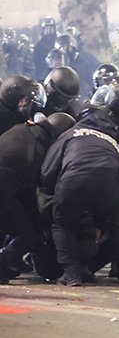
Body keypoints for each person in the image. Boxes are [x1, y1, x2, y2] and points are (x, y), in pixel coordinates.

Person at [40, 85, 119, 286]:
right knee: (115, 223)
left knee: (61, 223)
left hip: (74, 179)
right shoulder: (113, 140)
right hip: (110, 181)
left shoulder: (72, 133)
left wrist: (50, 191)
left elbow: (48, 170)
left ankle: (72, 273)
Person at [0, 113, 76, 283]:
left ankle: (11, 260)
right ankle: (4, 260)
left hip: (5, 190)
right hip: (3, 193)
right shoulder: (39, 149)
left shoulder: (21, 129)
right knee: (30, 232)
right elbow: (34, 192)